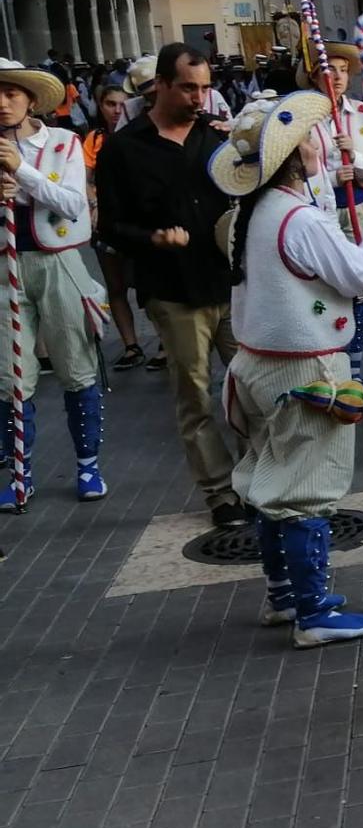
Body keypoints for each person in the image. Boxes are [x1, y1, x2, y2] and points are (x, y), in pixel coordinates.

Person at [211, 90, 363, 646]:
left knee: (271, 480)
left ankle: (283, 594)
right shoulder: (296, 219)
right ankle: (312, 612)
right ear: (299, 153)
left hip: (256, 367)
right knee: (304, 488)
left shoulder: (249, 214)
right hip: (304, 370)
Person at [95, 44, 249, 526]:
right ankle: (221, 494)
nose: (200, 97)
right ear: (159, 84)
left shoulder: (217, 138)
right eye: (188, 87)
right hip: (173, 291)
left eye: (205, 87)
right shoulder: (124, 147)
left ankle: (259, 481)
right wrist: (153, 238)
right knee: (195, 396)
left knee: (252, 387)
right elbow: (111, 227)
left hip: (231, 284)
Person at [0, 60, 109, 506]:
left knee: (75, 366)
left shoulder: (63, 143)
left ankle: (88, 466)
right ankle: (19, 471)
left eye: (10, 93)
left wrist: (21, 172)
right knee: (9, 375)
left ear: (29, 99)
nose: (2, 103)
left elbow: (70, 204)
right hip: (6, 266)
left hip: (59, 262)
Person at [297, 42, 363, 395]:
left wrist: (357, 160)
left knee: (361, 290)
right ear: (316, 76)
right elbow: (298, 172)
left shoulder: (361, 110)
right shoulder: (304, 117)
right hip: (323, 212)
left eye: (344, 70)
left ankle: (356, 372)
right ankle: (333, 368)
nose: (338, 77)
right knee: (332, 290)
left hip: (358, 207)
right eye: (330, 71)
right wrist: (332, 177)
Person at [84, 81, 144, 369]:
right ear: (100, 107)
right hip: (106, 226)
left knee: (148, 286)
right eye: (110, 104)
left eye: (122, 104)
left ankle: (164, 347)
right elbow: (83, 178)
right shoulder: (94, 139)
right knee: (116, 287)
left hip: (138, 224)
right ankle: (131, 345)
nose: (117, 110)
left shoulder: (141, 136)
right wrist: (94, 203)